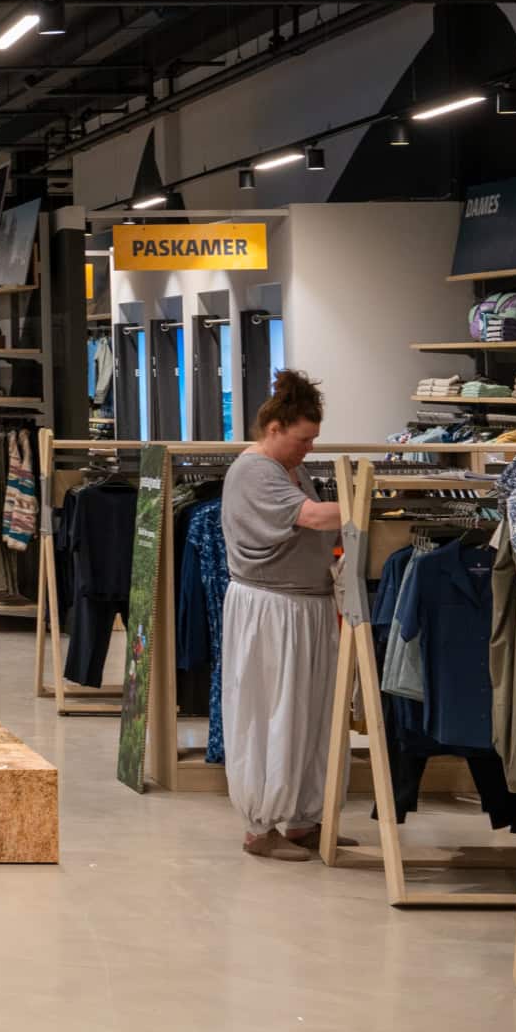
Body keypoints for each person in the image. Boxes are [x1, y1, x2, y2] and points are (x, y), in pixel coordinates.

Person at [219, 368, 345, 862]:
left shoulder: (291, 468)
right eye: (303, 439)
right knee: (272, 713)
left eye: (313, 440)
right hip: (272, 609)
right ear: (274, 429)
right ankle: (260, 825)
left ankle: (302, 818)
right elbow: (311, 517)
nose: (309, 449)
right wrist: (369, 501)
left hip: (303, 605)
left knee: (308, 715)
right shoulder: (256, 471)